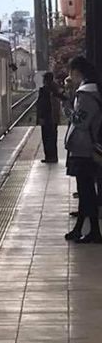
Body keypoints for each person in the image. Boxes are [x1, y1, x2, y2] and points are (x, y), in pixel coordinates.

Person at [64, 56, 102, 244]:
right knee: (85, 190)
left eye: (71, 73)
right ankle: (80, 228)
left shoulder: (86, 94)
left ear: (77, 72)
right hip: (86, 147)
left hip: (84, 148)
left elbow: (81, 121)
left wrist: (67, 109)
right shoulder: (92, 91)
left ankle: (94, 231)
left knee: (87, 190)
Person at [36, 72, 62, 163]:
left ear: (46, 80)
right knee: (52, 138)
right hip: (53, 118)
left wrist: (40, 117)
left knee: (47, 138)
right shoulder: (55, 89)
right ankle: (52, 157)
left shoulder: (45, 90)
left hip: (47, 118)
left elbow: (41, 105)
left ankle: (49, 157)